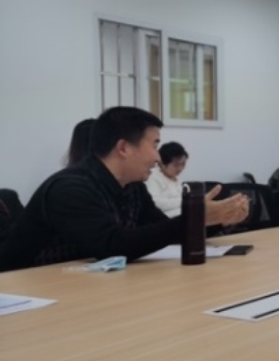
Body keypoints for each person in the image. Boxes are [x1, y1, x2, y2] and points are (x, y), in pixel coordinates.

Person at [0, 106, 248, 272]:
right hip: (28, 289)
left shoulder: (132, 185)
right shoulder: (70, 188)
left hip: (83, 285)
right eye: (154, 145)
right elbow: (111, 247)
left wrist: (216, 219)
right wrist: (196, 217)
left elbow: (163, 231)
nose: (158, 158)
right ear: (123, 148)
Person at [146, 141, 189, 217]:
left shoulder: (177, 181)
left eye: (183, 164)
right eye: (176, 165)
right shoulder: (152, 177)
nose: (180, 168)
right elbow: (155, 203)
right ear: (161, 164)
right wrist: (185, 201)